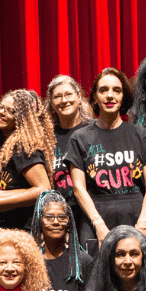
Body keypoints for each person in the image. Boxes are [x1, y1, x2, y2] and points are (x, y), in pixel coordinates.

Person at [65, 68, 146, 245]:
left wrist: (143, 221)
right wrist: (98, 223)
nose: (110, 96)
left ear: (123, 96)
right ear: (94, 97)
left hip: (137, 213)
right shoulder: (80, 138)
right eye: (104, 90)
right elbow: (78, 188)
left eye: (116, 90)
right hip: (95, 214)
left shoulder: (141, 135)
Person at [0, 89, 53, 232]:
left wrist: (0, 202)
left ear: (21, 118)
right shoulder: (3, 142)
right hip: (9, 227)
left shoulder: (22, 146)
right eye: (0, 106)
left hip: (25, 228)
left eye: (10, 111)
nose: (0, 112)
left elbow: (44, 189)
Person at [32, 191, 93, 291]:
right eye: (49, 217)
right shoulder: (28, 262)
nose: (56, 222)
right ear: (39, 221)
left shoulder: (83, 262)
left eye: (62, 217)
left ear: (69, 221)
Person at [45, 75, 95, 216]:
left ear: (79, 97)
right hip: (59, 215)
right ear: (52, 103)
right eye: (58, 96)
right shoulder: (46, 137)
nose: (64, 100)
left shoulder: (95, 130)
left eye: (68, 94)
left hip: (92, 210)